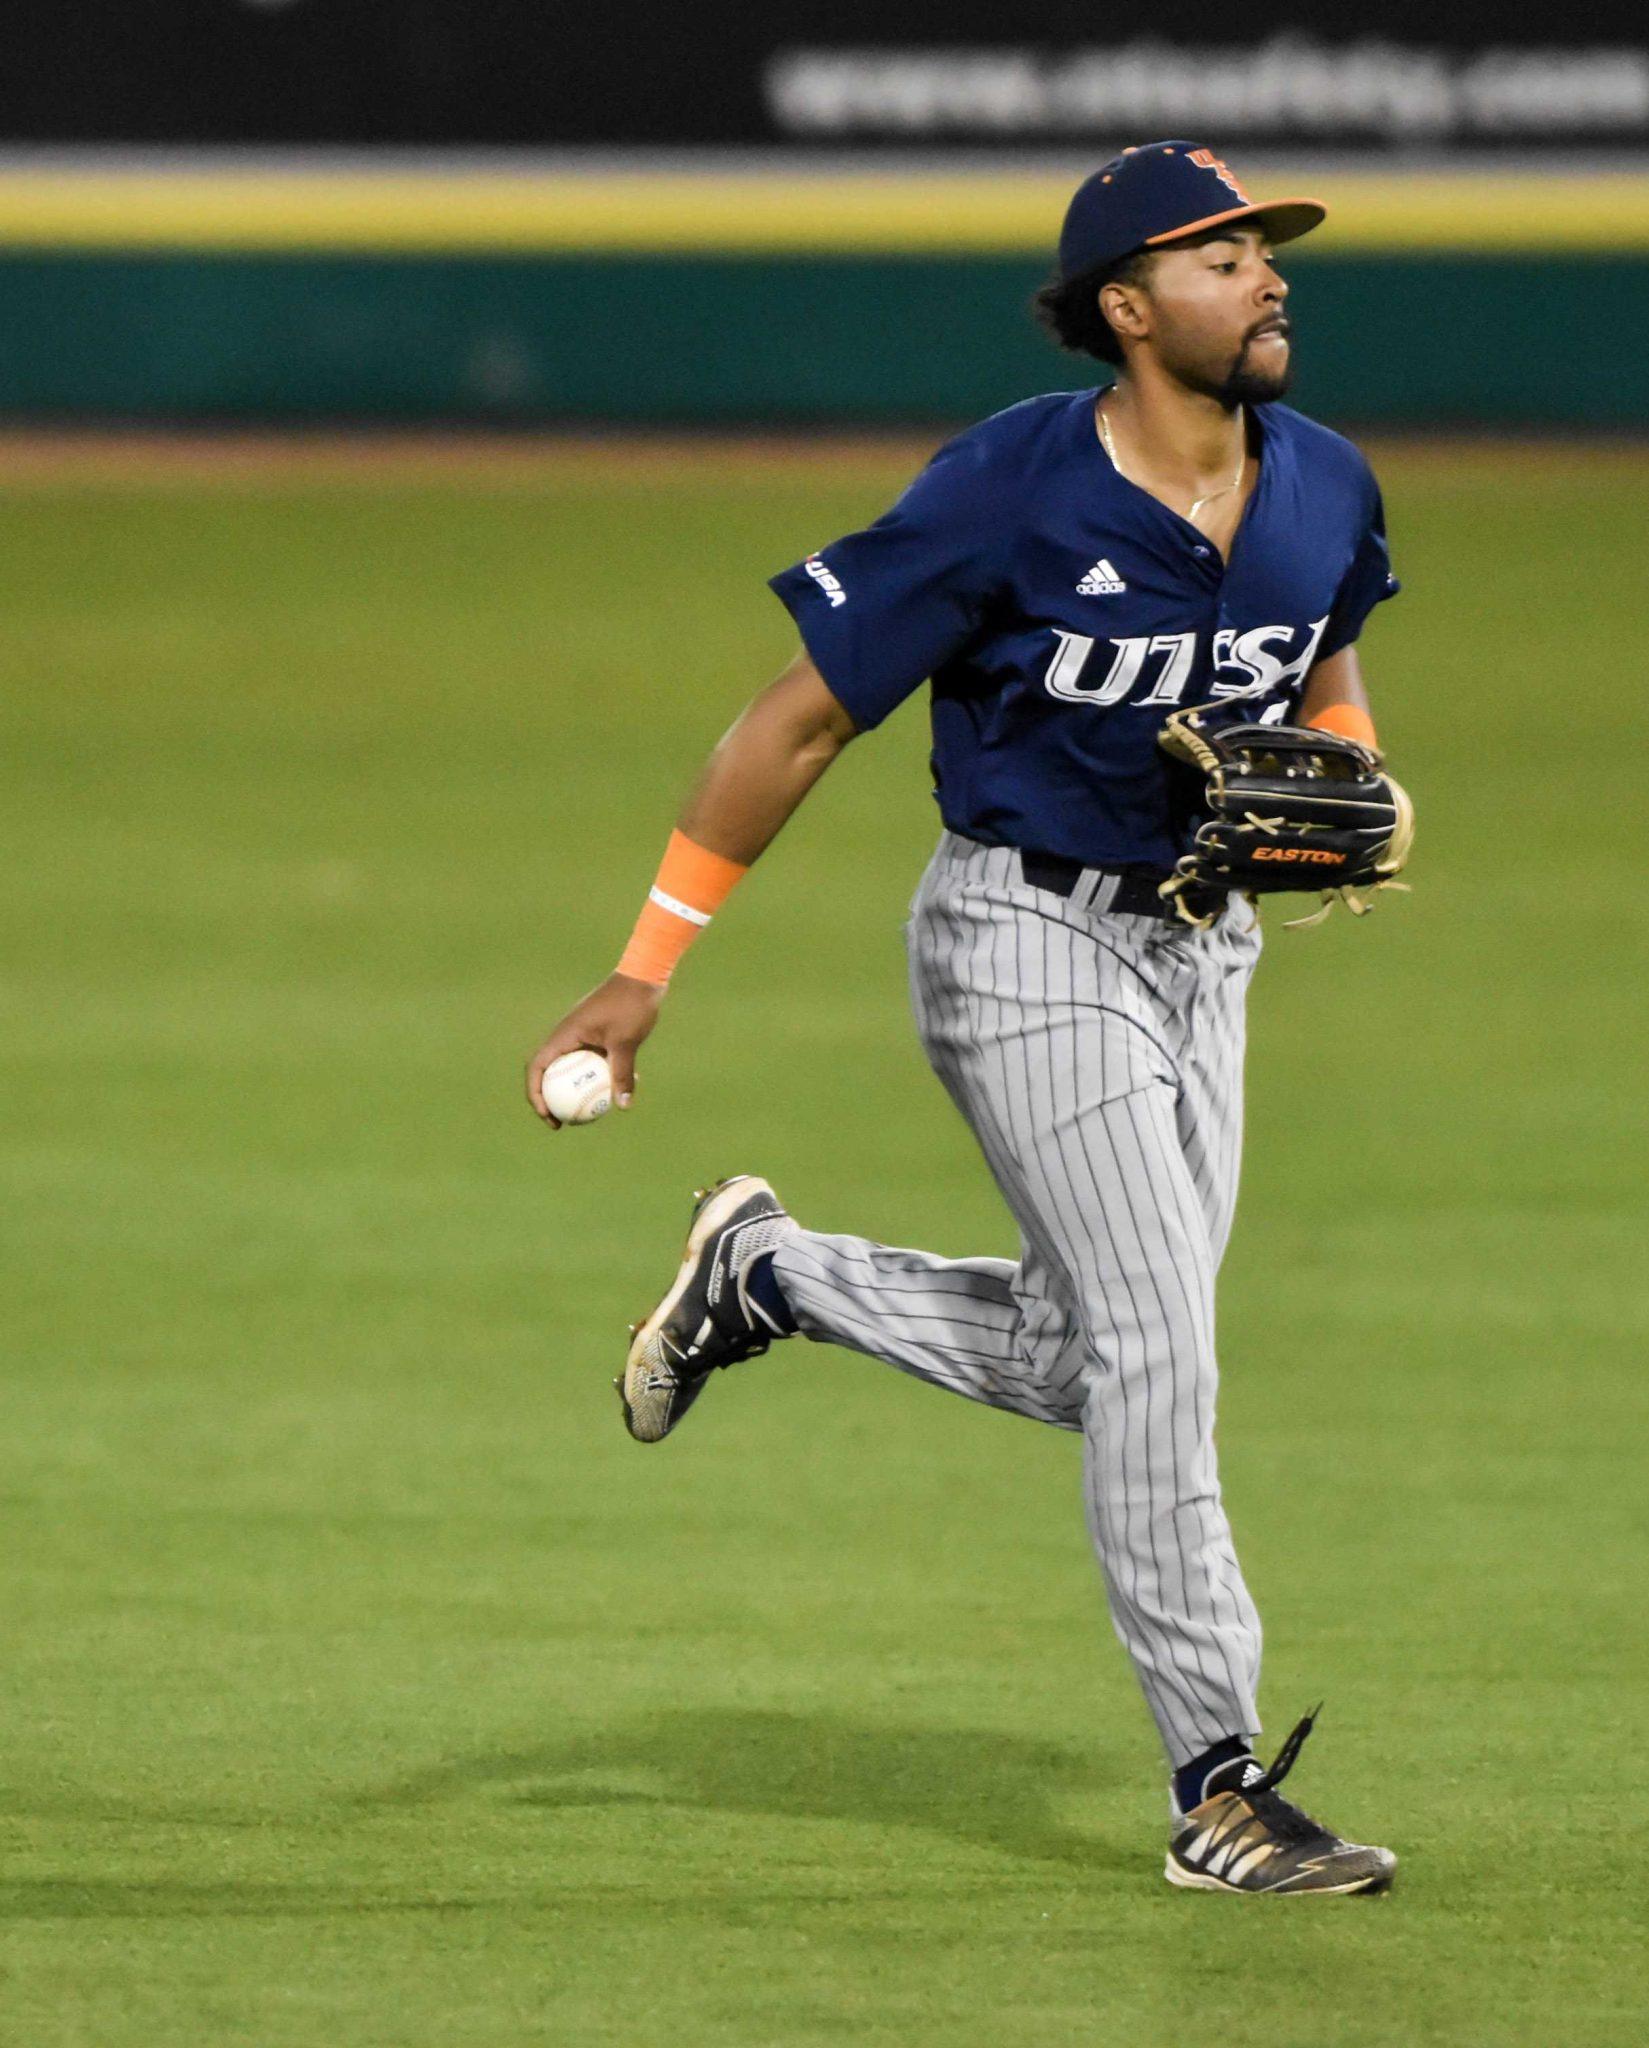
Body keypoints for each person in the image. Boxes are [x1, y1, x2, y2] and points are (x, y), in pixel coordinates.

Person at [522, 142, 1404, 1897]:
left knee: (1102, 1362)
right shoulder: (1010, 491)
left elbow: (1328, 679)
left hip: (1203, 958)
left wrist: (1360, 785)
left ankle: (772, 1276)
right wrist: (646, 967)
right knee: (1162, 1352)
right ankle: (1218, 1784)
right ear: (1128, 309)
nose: (1270, 279)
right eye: (1225, 258)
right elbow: (797, 720)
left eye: (1269, 251)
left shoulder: (1325, 482)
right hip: (1025, 944)